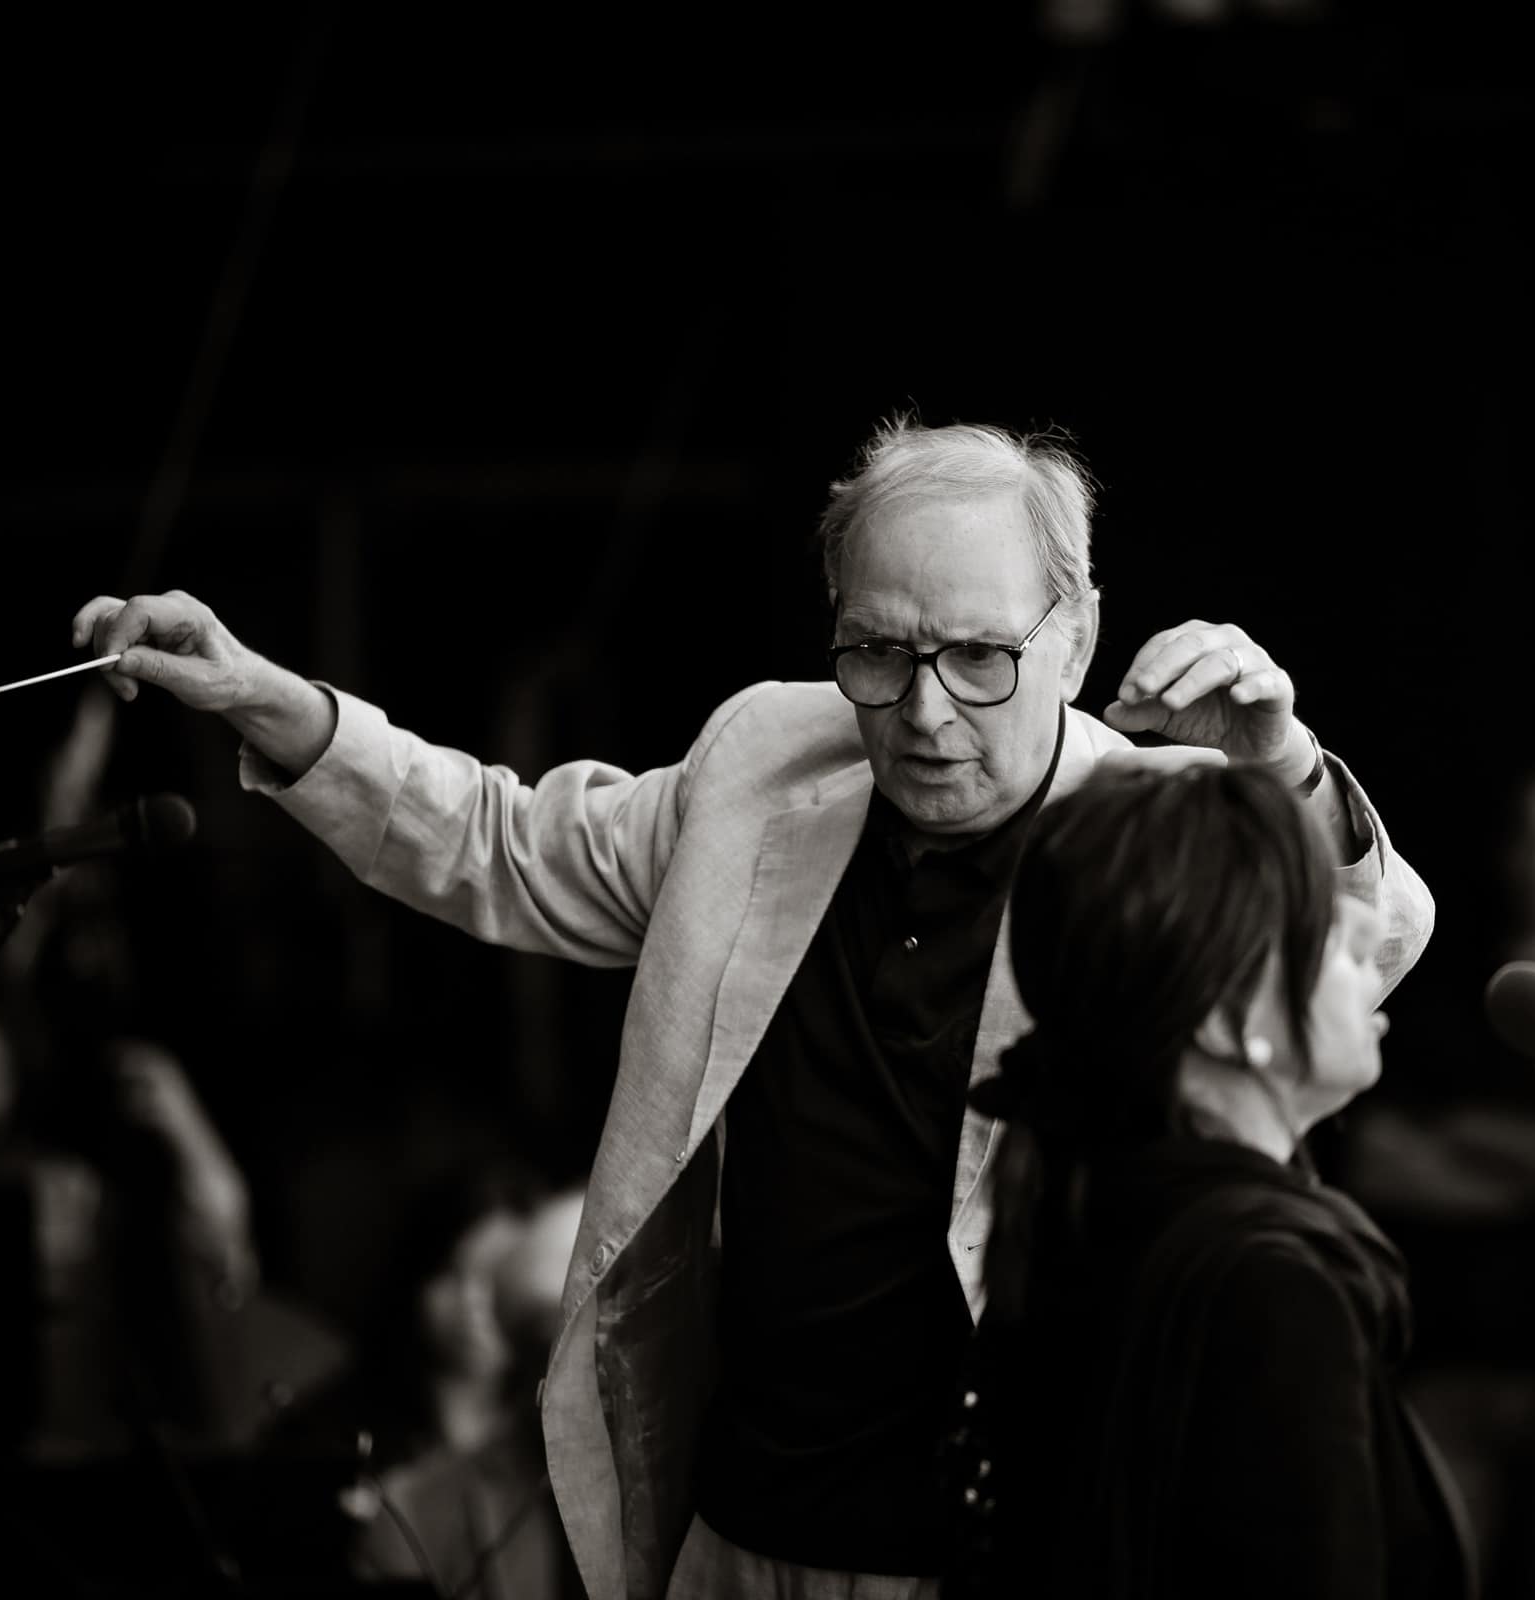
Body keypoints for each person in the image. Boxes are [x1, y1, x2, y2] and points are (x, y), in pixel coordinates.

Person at [71, 416, 1433, 1598]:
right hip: (735, 1528)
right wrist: (268, 701)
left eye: (978, 656)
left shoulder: (1156, 819)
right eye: (878, 651)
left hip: (1002, 1542)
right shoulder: (766, 759)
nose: (923, 711)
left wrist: (1288, 773)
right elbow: (504, 843)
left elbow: (1361, 961)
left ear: (1074, 635)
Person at [939, 760, 1472, 1599]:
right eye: (1321, 921)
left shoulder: (1090, 1208)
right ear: (1228, 1022)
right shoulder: (1267, 1286)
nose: (1368, 935)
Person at [266, 1157, 584, 1598]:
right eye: (452, 1273)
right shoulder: (340, 1434)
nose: (474, 1301)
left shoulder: (559, 1441)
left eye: (496, 1276)